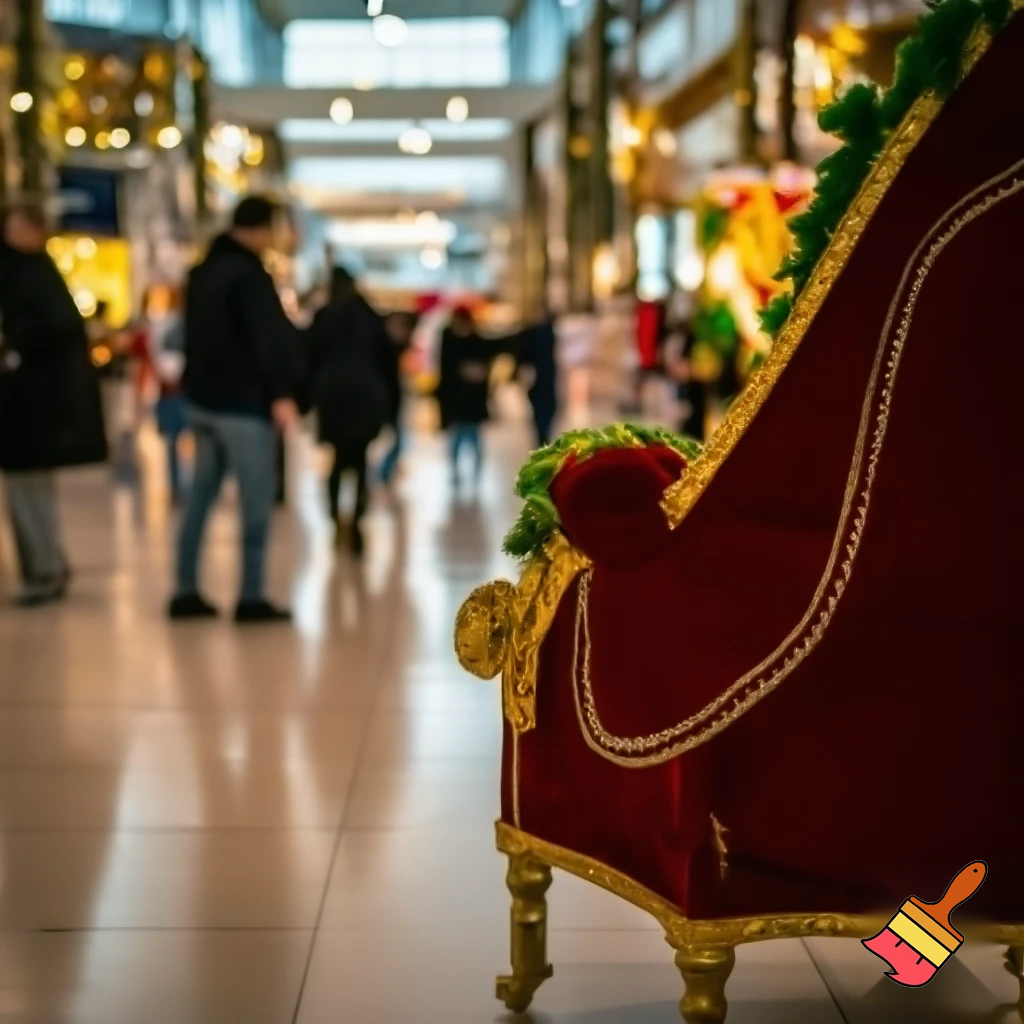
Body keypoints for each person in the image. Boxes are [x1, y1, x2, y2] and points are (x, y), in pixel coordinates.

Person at [168, 196, 303, 623]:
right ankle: (250, 597)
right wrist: (281, 392)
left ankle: (185, 591)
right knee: (255, 501)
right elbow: (267, 339)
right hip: (243, 405)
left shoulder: (202, 272)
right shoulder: (249, 276)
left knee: (199, 498)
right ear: (263, 228)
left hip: (202, 402)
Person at [0, 200, 108, 605]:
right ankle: (46, 563)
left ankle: (43, 568)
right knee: (31, 488)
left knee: (28, 488)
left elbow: (48, 329)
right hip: (32, 403)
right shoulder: (36, 273)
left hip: (25, 402)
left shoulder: (27, 275)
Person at [307, 267, 389, 556]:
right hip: (367, 396)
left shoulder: (323, 317)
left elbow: (310, 358)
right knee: (360, 460)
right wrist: (391, 409)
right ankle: (355, 520)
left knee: (338, 459)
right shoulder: (371, 317)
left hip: (332, 397)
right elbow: (386, 363)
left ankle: (334, 517)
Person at [437, 305, 491, 484]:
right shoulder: (448, 340)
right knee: (458, 440)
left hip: (474, 401)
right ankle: (457, 473)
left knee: (473, 439)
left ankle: (475, 475)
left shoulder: (478, 341)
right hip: (456, 401)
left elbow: (484, 368)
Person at [379, 310, 416, 485]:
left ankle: (384, 472)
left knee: (399, 441)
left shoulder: (398, 348)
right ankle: (382, 473)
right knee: (395, 441)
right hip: (386, 401)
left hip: (395, 401)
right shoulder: (386, 350)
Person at [518, 311, 559, 447]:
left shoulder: (546, 332)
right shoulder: (536, 334)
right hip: (541, 379)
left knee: (545, 409)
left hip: (545, 378)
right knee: (543, 409)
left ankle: (542, 437)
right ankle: (542, 438)